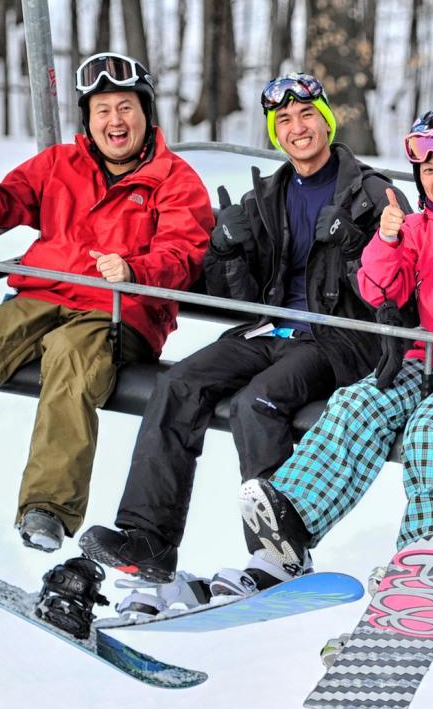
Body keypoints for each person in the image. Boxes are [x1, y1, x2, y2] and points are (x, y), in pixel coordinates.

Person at [0, 52, 214, 557]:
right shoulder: (60, 165)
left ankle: (48, 504)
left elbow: (183, 252)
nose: (115, 121)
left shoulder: (174, 180)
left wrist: (137, 270)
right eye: (102, 111)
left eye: (126, 108)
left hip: (117, 310)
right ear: (88, 120)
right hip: (42, 293)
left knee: (71, 363)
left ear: (146, 113)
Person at [78, 73, 410, 587]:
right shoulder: (269, 195)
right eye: (284, 123)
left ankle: (279, 549)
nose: (297, 129)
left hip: (339, 337)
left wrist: (352, 249)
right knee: (178, 385)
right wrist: (227, 250)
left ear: (325, 121)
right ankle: (150, 538)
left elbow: (399, 290)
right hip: (267, 330)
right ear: (276, 135)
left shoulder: (372, 193)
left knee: (259, 404)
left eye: (306, 117)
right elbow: (237, 299)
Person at [211, 106, 433, 600]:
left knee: (431, 430)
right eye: (429, 170)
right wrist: (386, 241)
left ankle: (430, 556)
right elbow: (377, 292)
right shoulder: (419, 226)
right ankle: (293, 523)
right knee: (357, 403)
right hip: (429, 363)